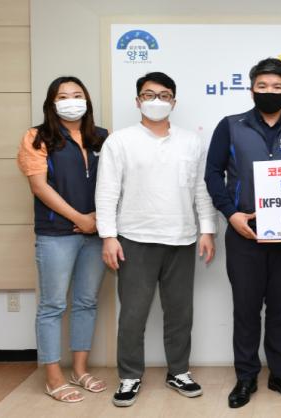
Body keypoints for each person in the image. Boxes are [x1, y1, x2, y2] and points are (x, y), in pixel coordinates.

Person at [95, 71, 217, 407]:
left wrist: (207, 230)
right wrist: (108, 236)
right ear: (138, 101)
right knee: (133, 314)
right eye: (149, 95)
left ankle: (179, 371)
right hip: (134, 238)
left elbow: (201, 189)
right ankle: (129, 376)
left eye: (164, 96)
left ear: (173, 102)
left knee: (180, 313)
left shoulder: (191, 142)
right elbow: (106, 192)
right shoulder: (119, 142)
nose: (157, 101)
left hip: (182, 238)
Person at [205, 57, 281, 408]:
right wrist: (231, 215)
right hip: (245, 233)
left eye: (277, 87)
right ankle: (246, 377)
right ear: (252, 89)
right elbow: (213, 174)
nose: (270, 91)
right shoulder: (230, 126)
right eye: (263, 86)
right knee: (246, 308)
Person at [17, 76, 108, 403]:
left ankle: (79, 370)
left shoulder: (102, 137)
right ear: (51, 103)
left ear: (87, 100)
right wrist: (80, 219)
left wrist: (96, 219)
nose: (71, 101)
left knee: (86, 302)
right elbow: (39, 186)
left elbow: (113, 183)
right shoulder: (37, 136)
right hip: (56, 234)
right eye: (63, 96)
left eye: (77, 94)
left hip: (96, 233)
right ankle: (53, 377)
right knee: (52, 305)